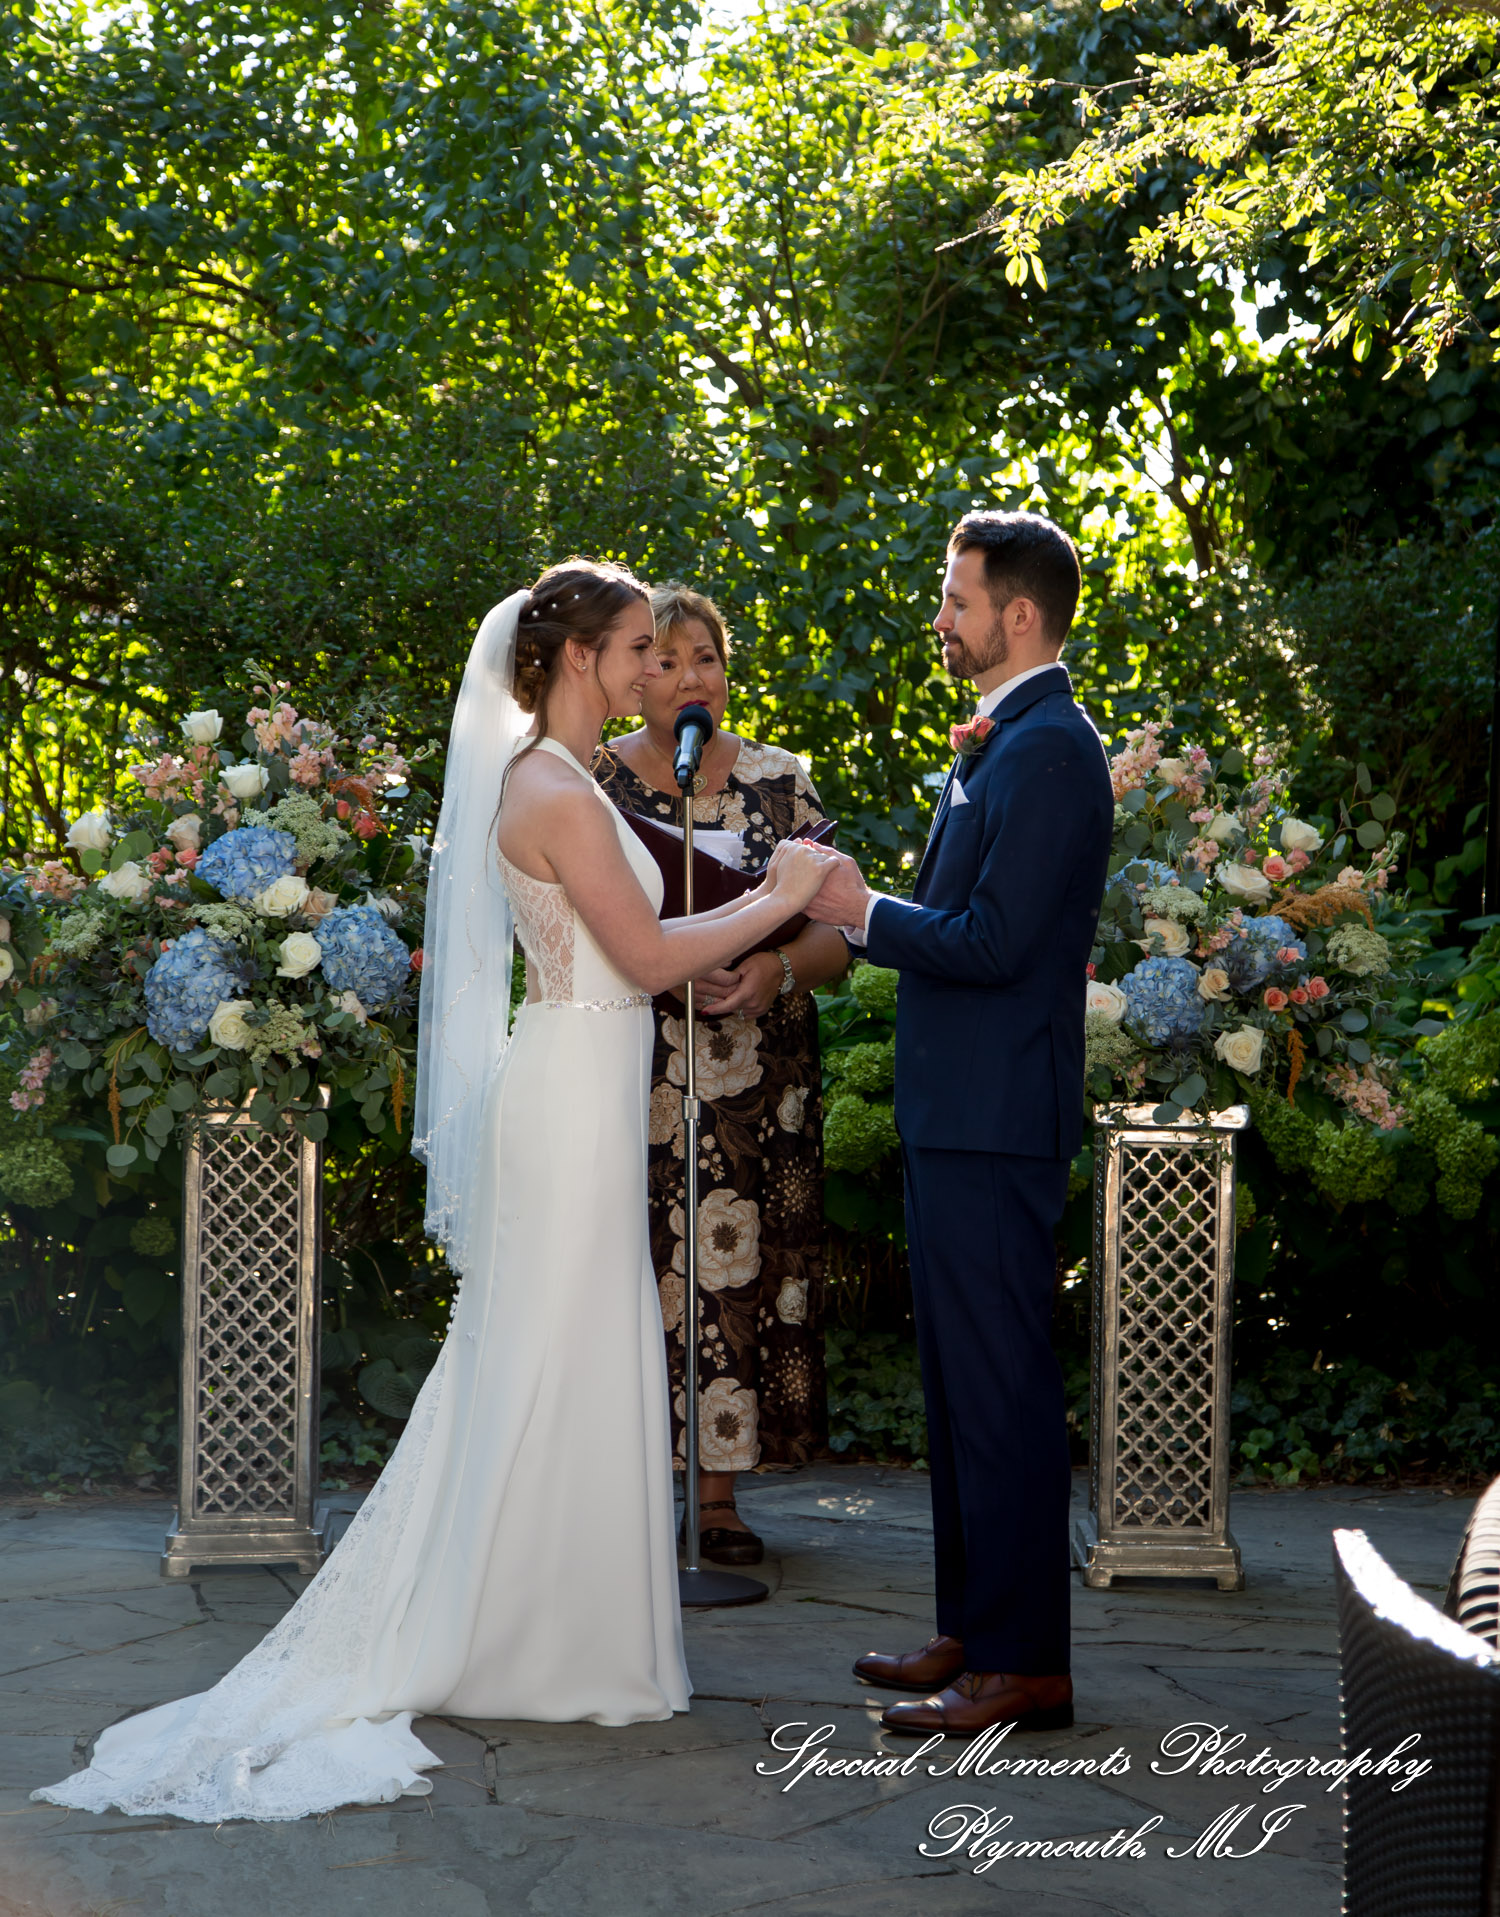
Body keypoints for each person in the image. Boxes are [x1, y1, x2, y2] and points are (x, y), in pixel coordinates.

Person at [34, 560, 835, 1822]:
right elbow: (642, 956)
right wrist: (782, 897)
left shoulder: (561, 778)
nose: (652, 669)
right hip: (572, 1089)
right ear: (579, 658)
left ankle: (545, 1631)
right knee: (557, 1350)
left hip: (583, 1081)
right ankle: (545, 1642)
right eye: (637, 646)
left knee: (566, 1354)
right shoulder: (553, 788)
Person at [804, 510, 1113, 1738]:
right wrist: (865, 910)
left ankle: (1026, 1664)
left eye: (957, 599)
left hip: (997, 1115)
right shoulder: (1006, 739)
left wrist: (860, 908)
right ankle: (974, 1631)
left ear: (1018, 616)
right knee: (957, 1388)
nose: (940, 619)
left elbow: (992, 943)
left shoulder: (1051, 751)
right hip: (958, 1111)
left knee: (1003, 1392)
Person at [597, 584, 850, 1565]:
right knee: (637, 1266)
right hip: (637, 1065)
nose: (688, 677)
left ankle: (717, 1501)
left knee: (736, 1273)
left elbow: (839, 931)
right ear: (633, 677)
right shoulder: (594, 783)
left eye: (704, 657)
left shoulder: (782, 783)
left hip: (756, 1079)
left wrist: (776, 966)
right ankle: (617, 1491)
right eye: (664, 660)